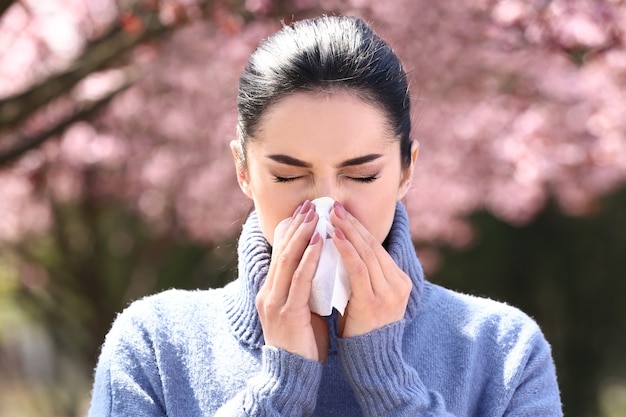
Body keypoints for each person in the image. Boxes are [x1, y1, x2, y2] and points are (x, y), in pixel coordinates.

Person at [88, 15, 563, 416]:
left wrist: (388, 382)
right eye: (288, 176)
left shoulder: (503, 351)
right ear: (243, 171)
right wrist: (280, 387)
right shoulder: (154, 343)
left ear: (405, 171)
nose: (326, 206)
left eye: (360, 175)